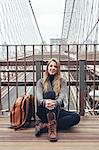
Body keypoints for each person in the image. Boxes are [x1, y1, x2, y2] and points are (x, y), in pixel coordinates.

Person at [35, 58, 80, 142]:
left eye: (55, 66)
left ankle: (45, 126)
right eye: (51, 66)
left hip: (57, 110)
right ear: (47, 68)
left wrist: (55, 103)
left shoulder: (62, 81)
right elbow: (39, 98)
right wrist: (46, 102)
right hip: (43, 111)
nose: (53, 68)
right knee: (50, 94)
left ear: (58, 69)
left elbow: (61, 97)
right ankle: (52, 128)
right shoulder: (40, 82)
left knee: (76, 117)